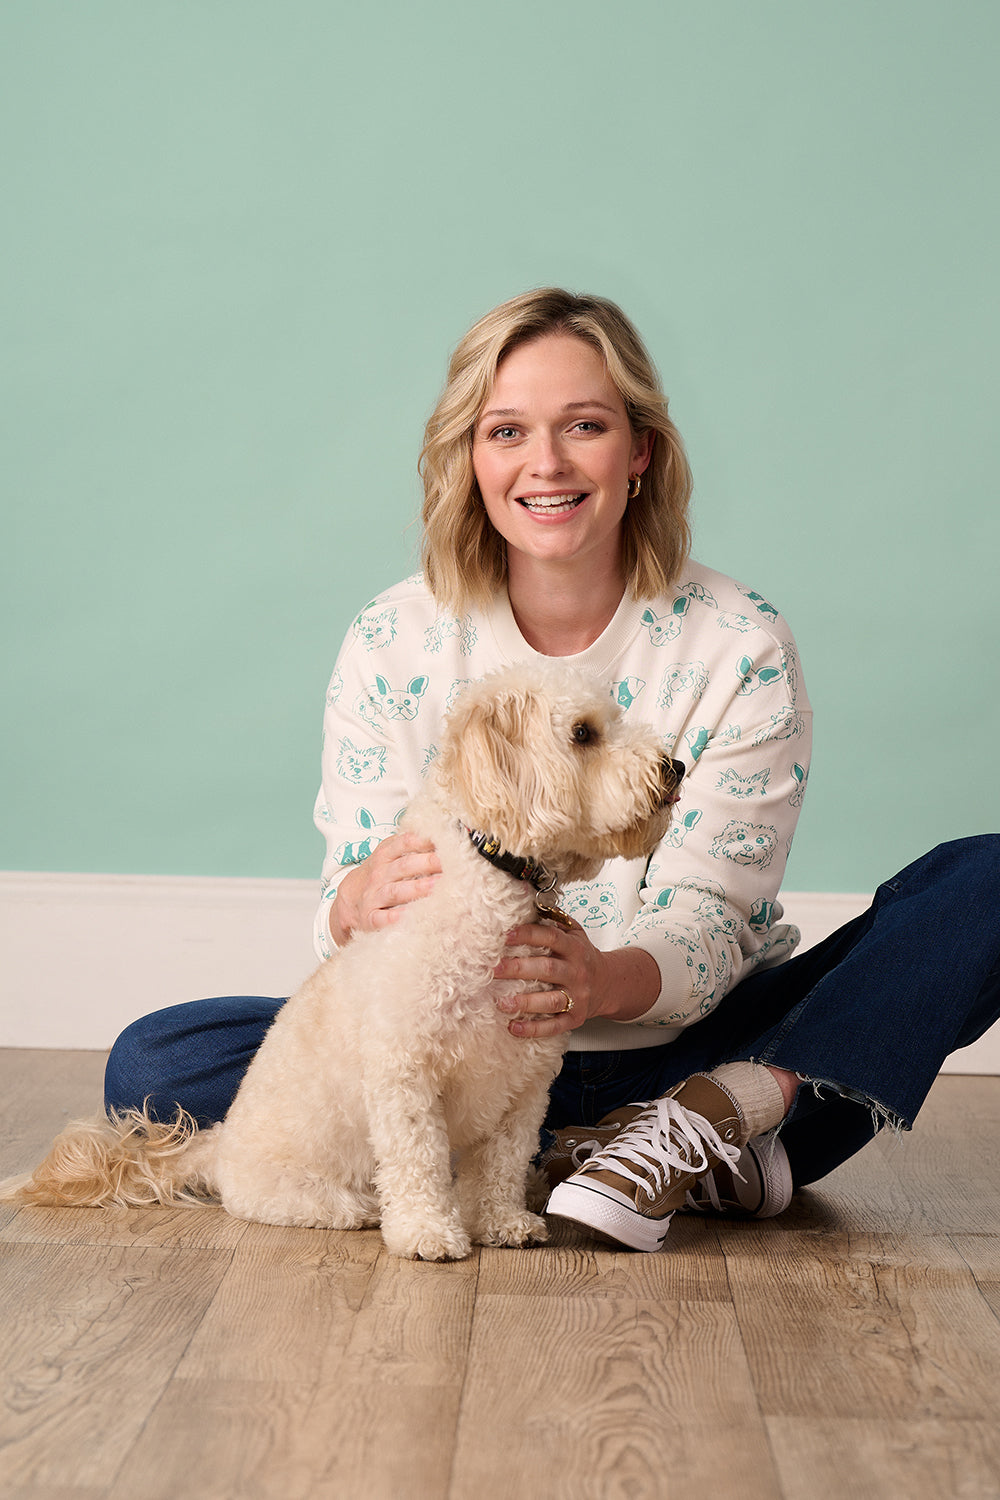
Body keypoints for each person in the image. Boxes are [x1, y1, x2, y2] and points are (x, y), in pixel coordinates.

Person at [105, 288, 1000, 1253]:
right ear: (470, 457)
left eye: (585, 425)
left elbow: (714, 917)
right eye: (507, 431)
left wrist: (599, 981)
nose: (546, 463)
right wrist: (351, 901)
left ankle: (708, 1118)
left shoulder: (740, 643)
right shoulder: (391, 638)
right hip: (452, 1057)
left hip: (681, 1051)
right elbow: (355, 936)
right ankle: (631, 1162)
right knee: (157, 1059)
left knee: (984, 884)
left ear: (640, 450)